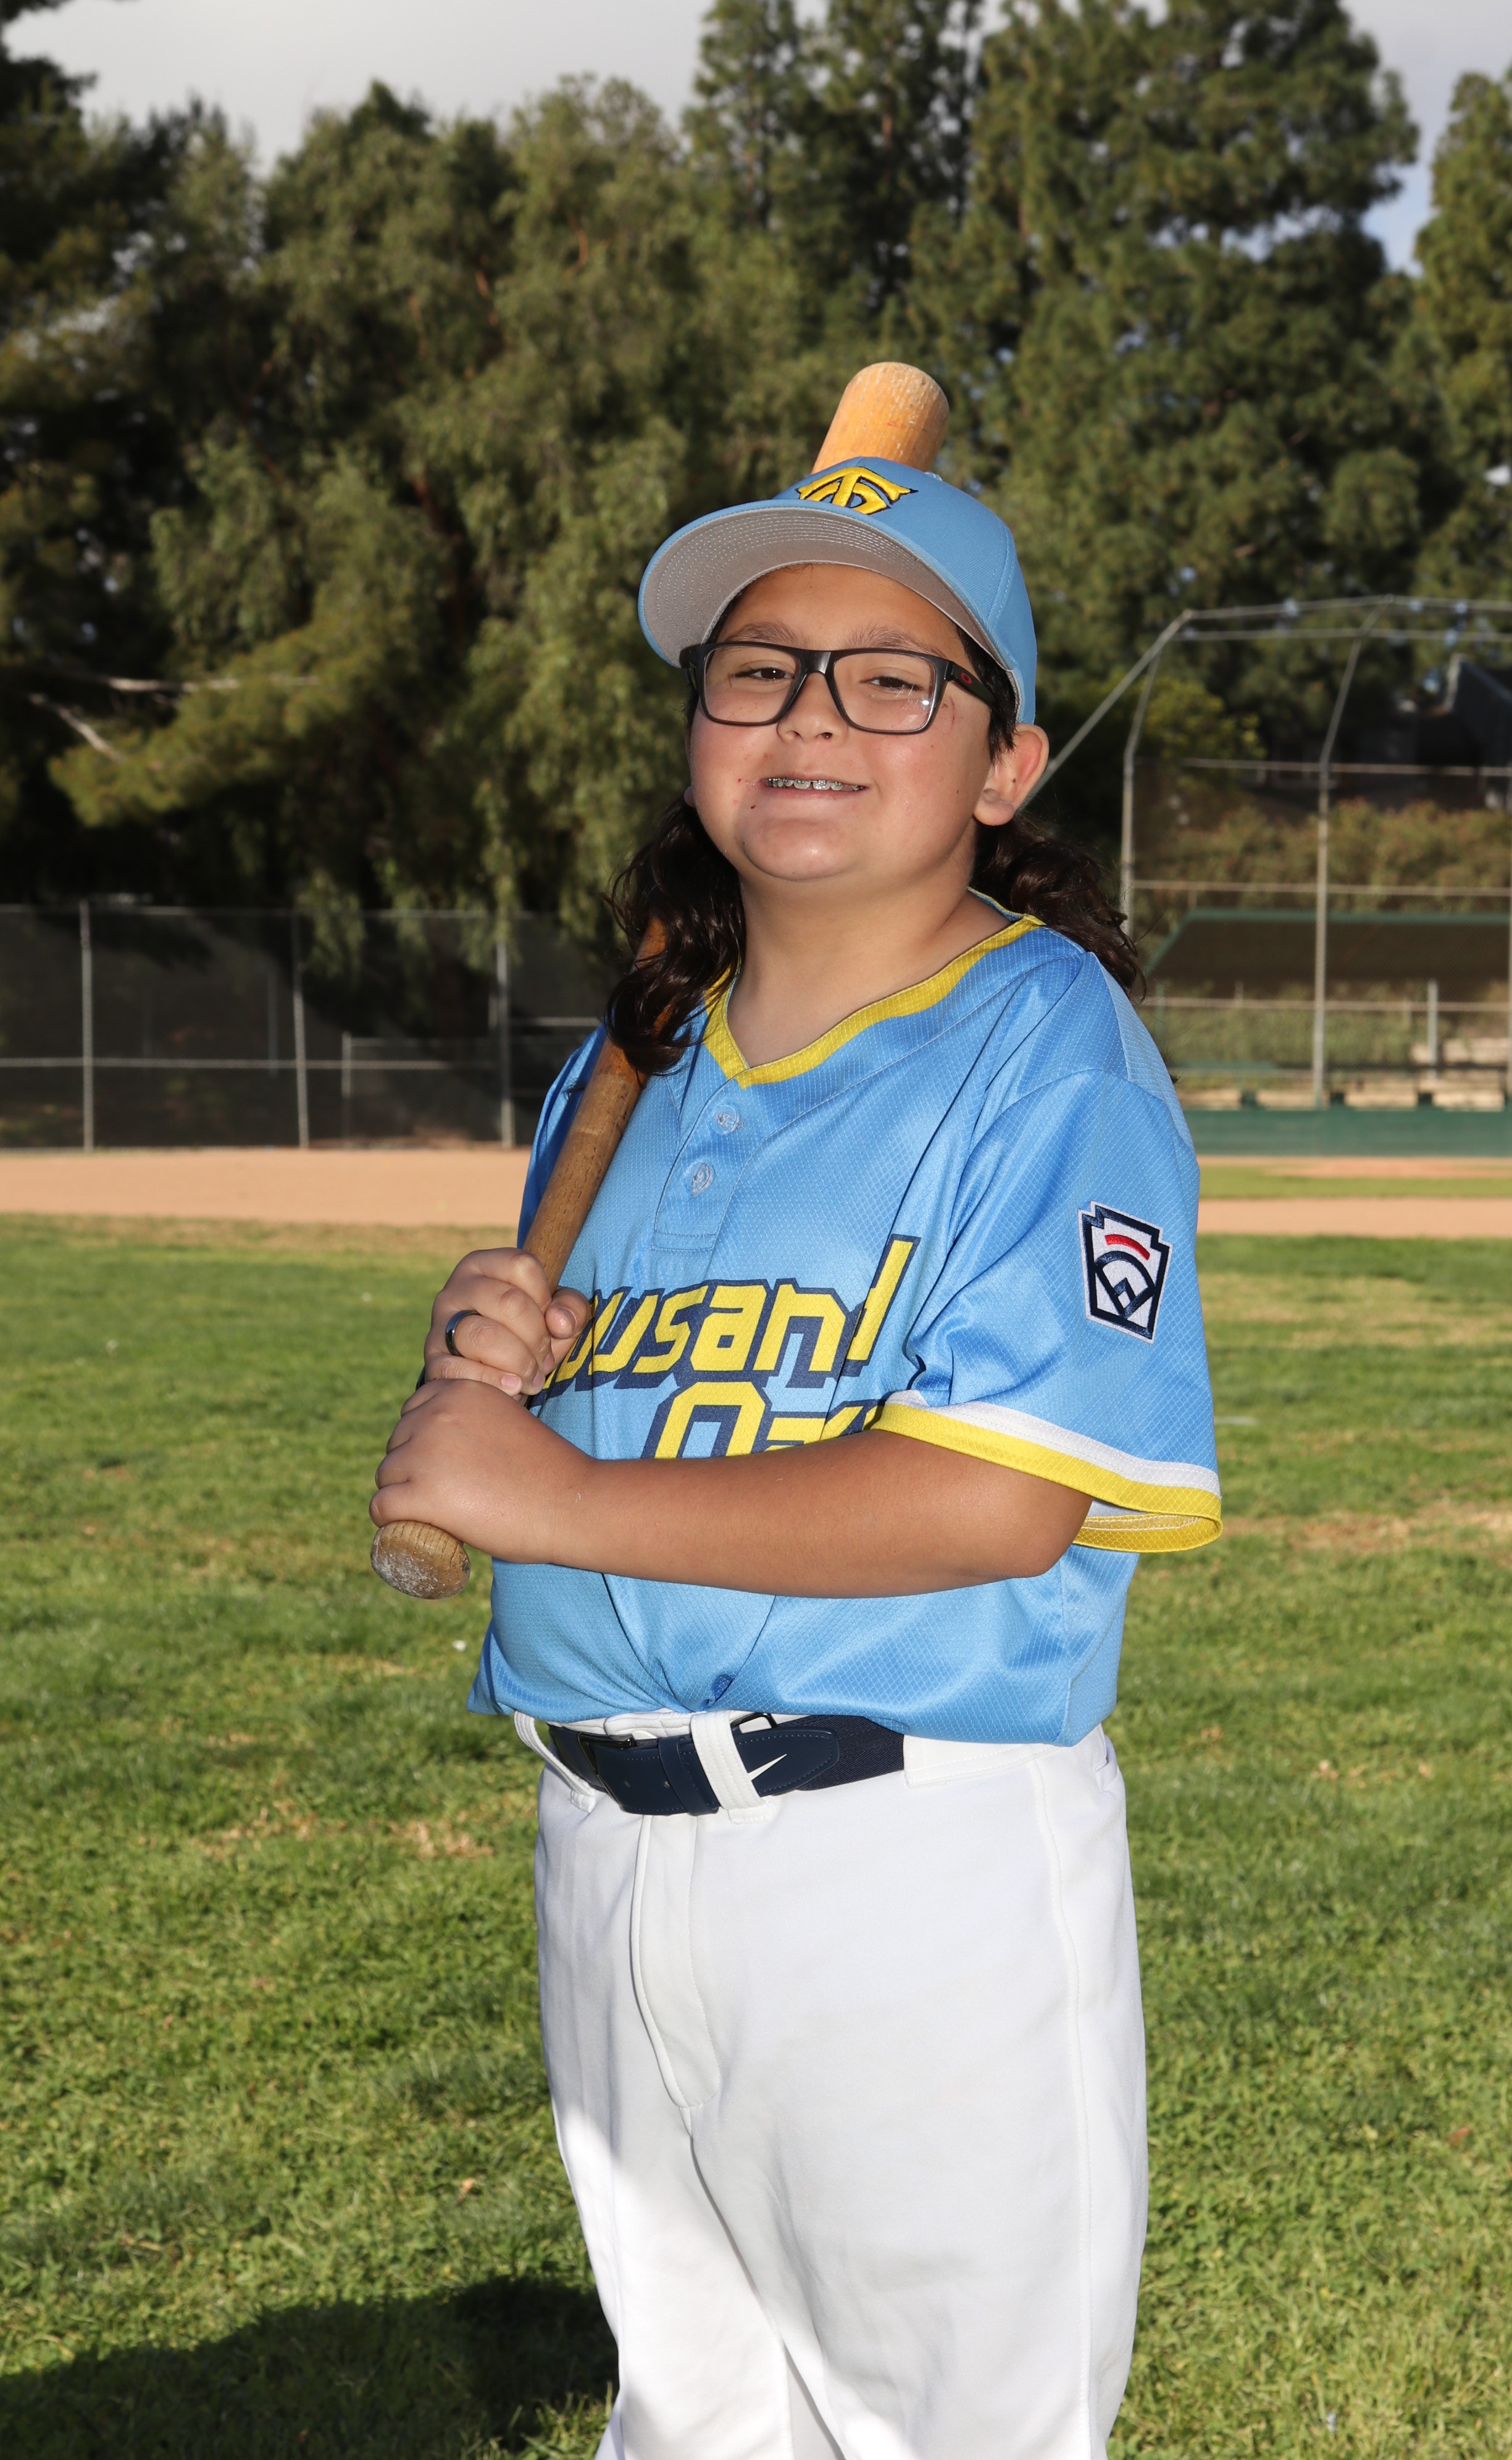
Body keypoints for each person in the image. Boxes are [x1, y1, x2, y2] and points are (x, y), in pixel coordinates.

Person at [371, 456, 1221, 2460]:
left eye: (891, 679)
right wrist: (503, 1366)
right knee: (691, 2425)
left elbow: (997, 1498)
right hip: (606, 1843)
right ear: (698, 735)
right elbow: (635, 1413)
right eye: (758, 671)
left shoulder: (1049, 1045)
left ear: (1006, 767)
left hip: (901, 1861)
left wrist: (554, 1497)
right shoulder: (635, 1065)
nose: (813, 714)